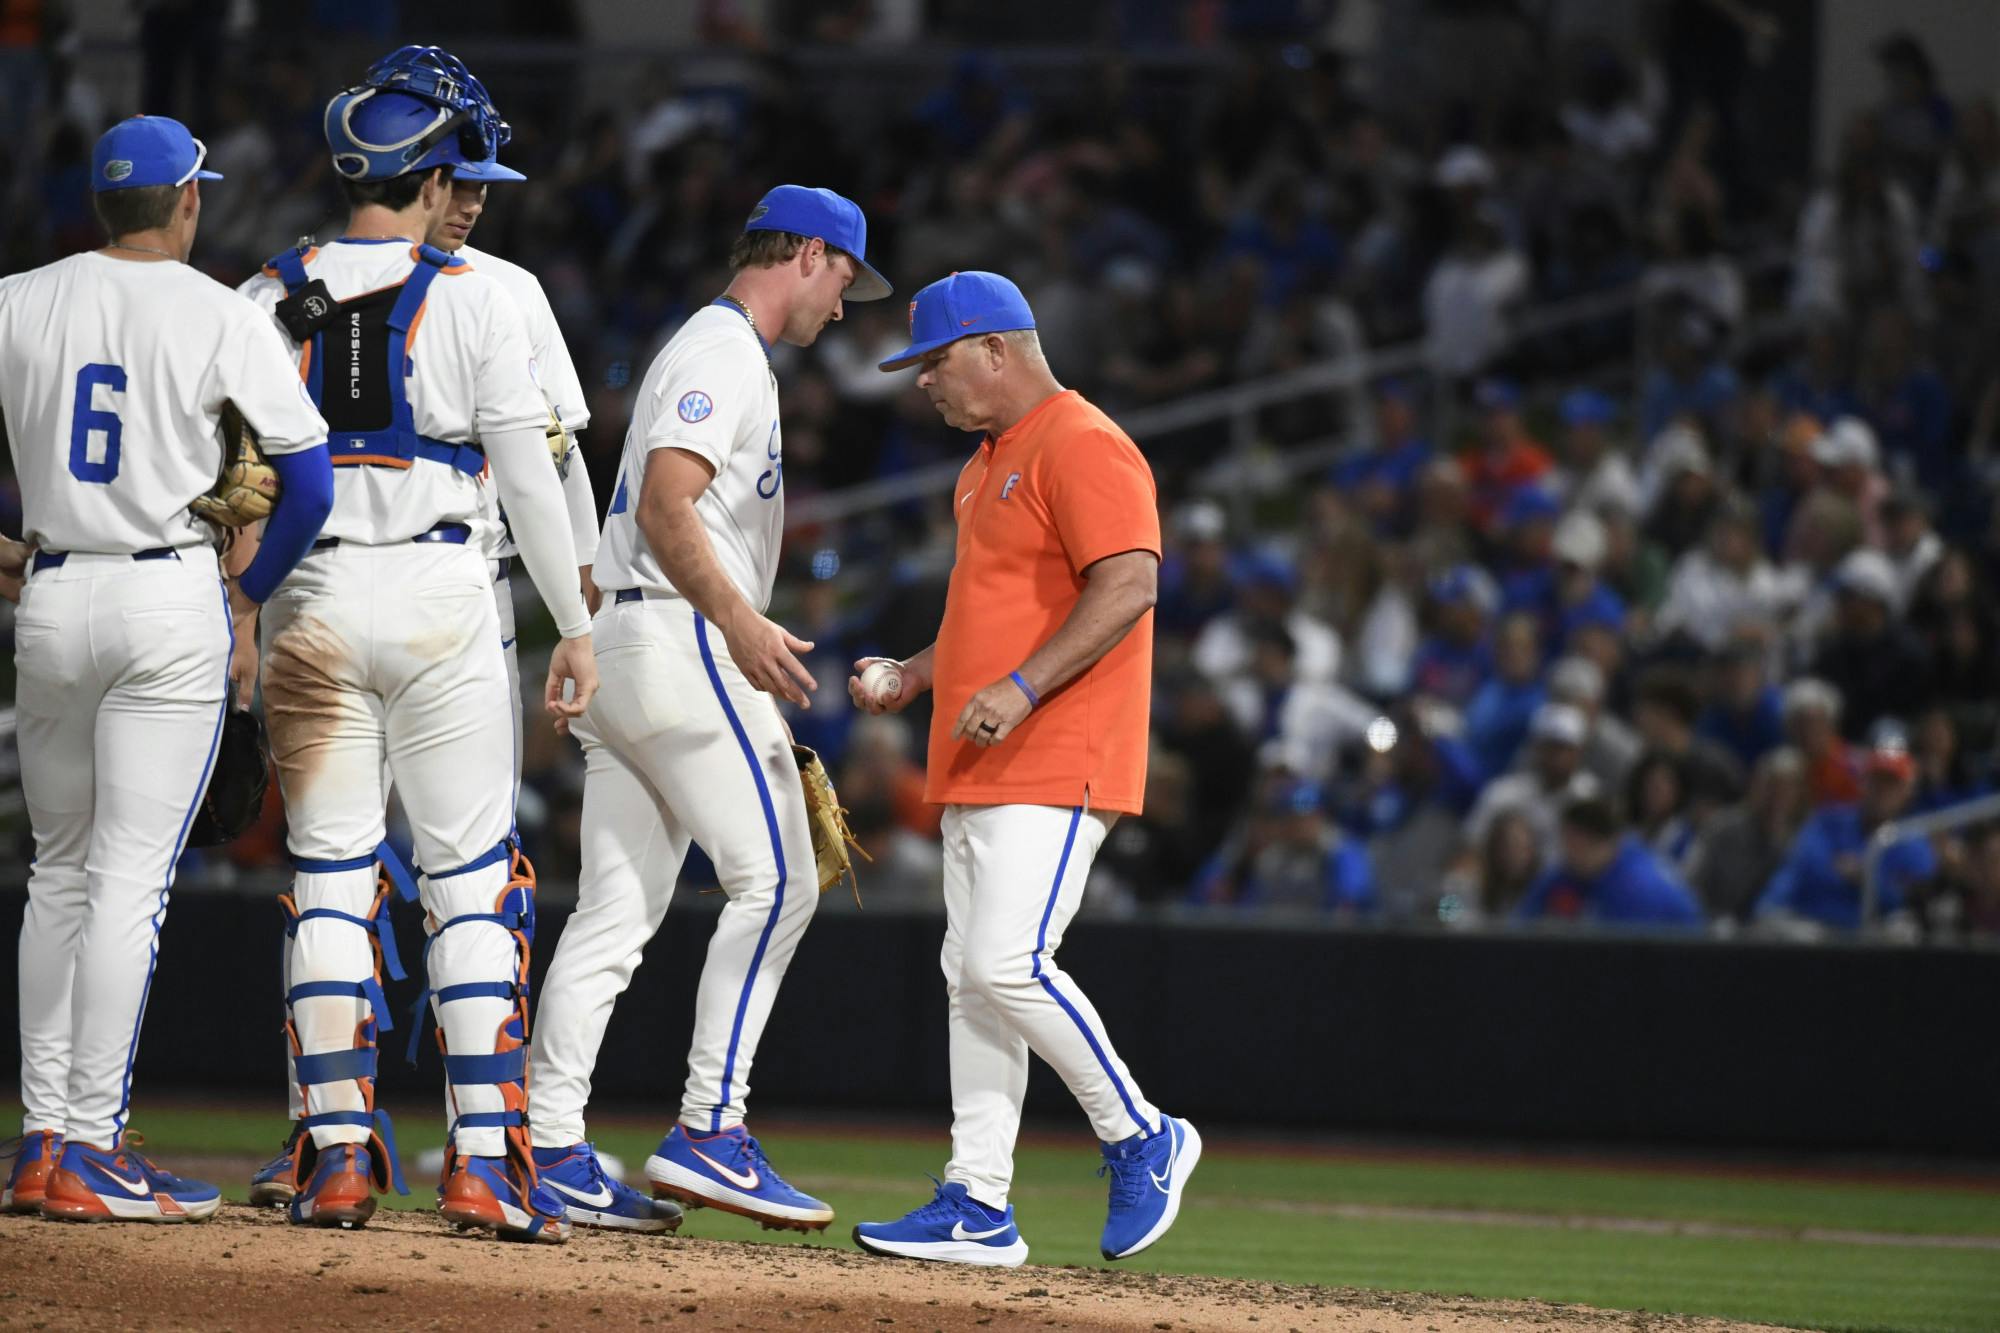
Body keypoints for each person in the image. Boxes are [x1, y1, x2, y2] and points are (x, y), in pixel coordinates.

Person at [238, 45, 640, 1230]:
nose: (467, 191)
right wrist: (575, 625)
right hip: (441, 593)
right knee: (470, 885)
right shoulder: (478, 293)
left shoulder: (266, 296)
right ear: (424, 169)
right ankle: (482, 1165)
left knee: (328, 882)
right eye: (458, 170)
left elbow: (235, 484)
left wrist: (238, 611)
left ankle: (336, 1159)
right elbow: (530, 469)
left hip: (308, 604)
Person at [525, 185, 892, 1236]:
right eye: (844, 281)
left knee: (613, 914)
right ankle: (709, 1127)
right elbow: (664, 501)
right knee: (778, 881)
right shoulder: (725, 350)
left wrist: (587, 634)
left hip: (636, 634)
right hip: (684, 638)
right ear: (810, 256)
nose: (843, 306)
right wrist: (735, 619)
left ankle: (547, 1146)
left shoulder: (703, 350)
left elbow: (626, 512)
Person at [1, 116, 333, 1221]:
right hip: (162, 590)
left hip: (51, 594)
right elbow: (310, 483)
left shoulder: (18, 298)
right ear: (188, 200)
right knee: (129, 883)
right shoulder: (215, 308)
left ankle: (43, 1137)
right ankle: (92, 1143)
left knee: (59, 872)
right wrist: (241, 595)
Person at [849, 271, 1198, 1267]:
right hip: (978, 756)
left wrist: (1025, 688)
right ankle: (976, 1200)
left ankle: (1142, 1133)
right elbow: (988, 614)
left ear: (995, 348)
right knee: (972, 978)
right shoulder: (985, 461)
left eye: (934, 361)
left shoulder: (1082, 440)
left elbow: (1129, 583)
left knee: (1006, 961)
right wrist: (916, 674)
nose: (924, 383)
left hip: (1055, 749)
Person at [1756, 746, 1934, 931]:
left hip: (1875, 943)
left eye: (1891, 784)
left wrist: (1868, 879)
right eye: (1875, 781)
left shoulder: (1912, 841)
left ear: (1907, 792)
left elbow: (1911, 902)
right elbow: (1794, 871)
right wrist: (1768, 909)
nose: (1882, 791)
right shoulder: (1827, 823)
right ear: (1862, 783)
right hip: (1814, 932)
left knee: (1901, 928)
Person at [1516, 797, 1704, 927]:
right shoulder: (1569, 872)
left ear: (1586, 841)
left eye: (1571, 843)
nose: (1565, 852)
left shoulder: (1640, 888)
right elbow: (1520, 924)